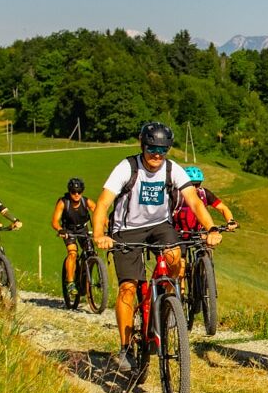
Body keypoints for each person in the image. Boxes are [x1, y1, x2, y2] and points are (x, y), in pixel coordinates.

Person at [91, 122, 215, 371]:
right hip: (126, 229)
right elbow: (104, 203)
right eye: (151, 149)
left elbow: (194, 201)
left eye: (162, 150)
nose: (157, 155)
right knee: (128, 287)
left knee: (174, 256)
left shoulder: (172, 169)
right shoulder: (127, 168)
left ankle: (169, 302)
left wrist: (211, 228)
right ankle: (125, 347)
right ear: (142, 146)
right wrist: (99, 235)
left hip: (160, 225)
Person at [51, 176, 95, 299]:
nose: (76, 195)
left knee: (91, 253)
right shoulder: (63, 202)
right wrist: (60, 230)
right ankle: (70, 282)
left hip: (83, 229)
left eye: (79, 192)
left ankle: (86, 278)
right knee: (72, 253)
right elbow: (55, 221)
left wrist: (107, 227)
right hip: (68, 230)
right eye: (73, 192)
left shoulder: (87, 202)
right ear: (69, 192)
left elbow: (98, 213)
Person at [173, 165, 239, 238]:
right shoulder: (176, 195)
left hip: (200, 233)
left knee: (208, 245)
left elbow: (223, 208)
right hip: (177, 235)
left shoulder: (204, 194)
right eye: (191, 184)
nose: (194, 187)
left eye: (197, 184)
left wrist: (230, 220)